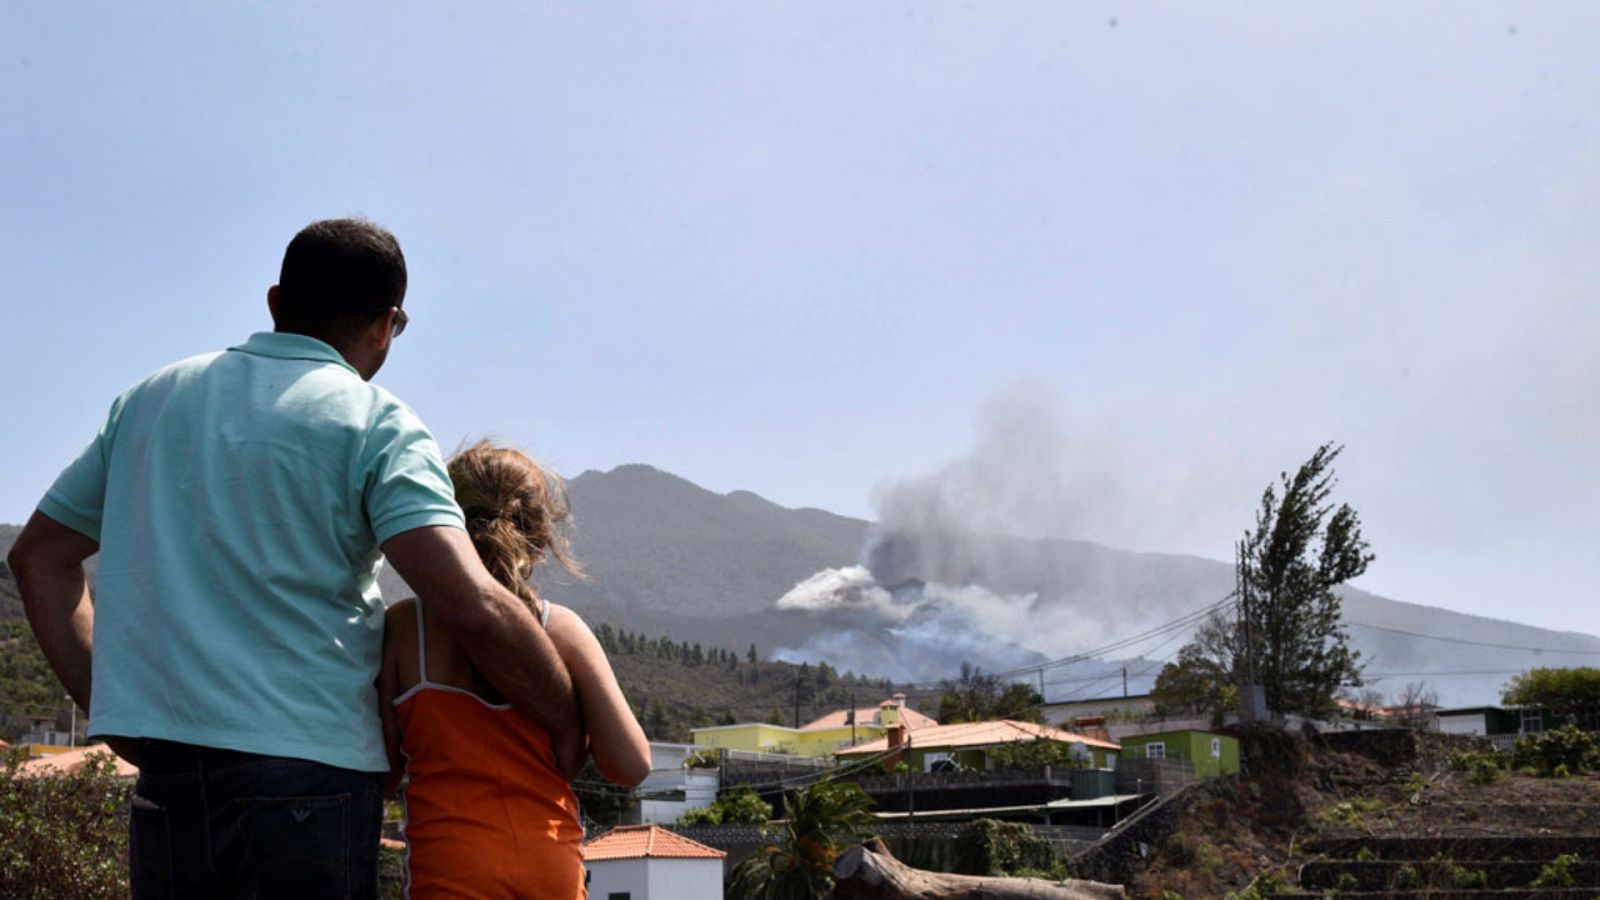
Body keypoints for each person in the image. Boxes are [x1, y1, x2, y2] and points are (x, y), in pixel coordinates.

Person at [7, 218, 580, 900]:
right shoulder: (377, 422)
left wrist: (113, 706)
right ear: (386, 324)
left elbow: (38, 558)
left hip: (170, 779)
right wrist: (567, 718)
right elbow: (472, 603)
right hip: (309, 777)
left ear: (276, 303)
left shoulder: (151, 400)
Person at [380, 442, 650, 899]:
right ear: (540, 541)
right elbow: (631, 765)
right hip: (552, 871)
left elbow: (382, 774)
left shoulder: (406, 629)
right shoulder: (563, 631)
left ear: (446, 526)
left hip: (451, 871)